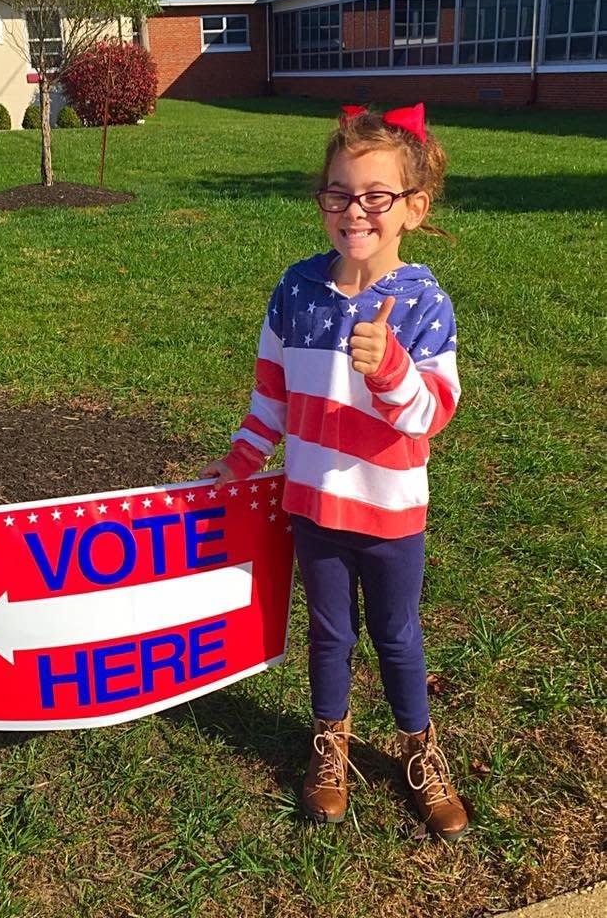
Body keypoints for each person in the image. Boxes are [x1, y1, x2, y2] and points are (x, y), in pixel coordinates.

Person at [199, 102, 468, 840]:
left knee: (397, 633)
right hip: (312, 506)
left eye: (376, 197)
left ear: (412, 208)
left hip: (389, 514)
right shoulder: (297, 291)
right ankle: (331, 747)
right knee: (328, 636)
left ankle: (420, 752)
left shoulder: (423, 303)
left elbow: (432, 414)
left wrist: (390, 371)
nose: (355, 211)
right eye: (339, 194)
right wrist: (241, 458)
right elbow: (271, 397)